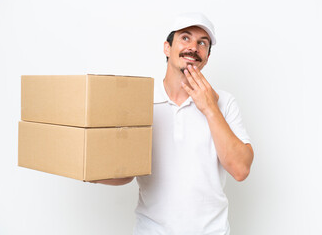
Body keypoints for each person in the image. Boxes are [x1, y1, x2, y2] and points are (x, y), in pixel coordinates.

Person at [94, 12, 254, 235]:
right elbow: (125, 173)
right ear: (167, 48)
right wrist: (86, 170)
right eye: (185, 38)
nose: (194, 48)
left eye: (203, 43)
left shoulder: (224, 103)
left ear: (207, 56)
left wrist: (210, 108)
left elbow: (240, 169)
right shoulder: (140, 101)